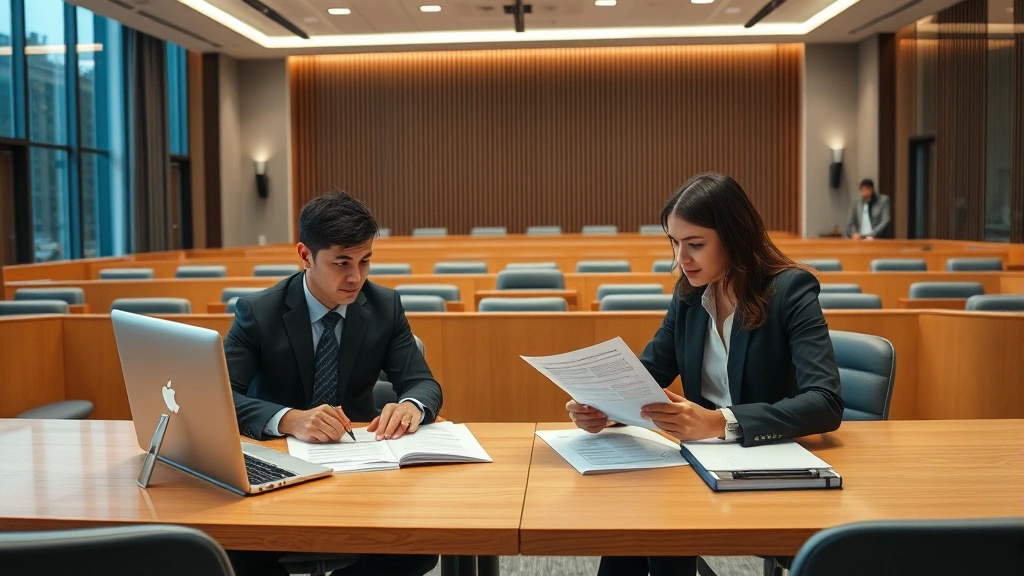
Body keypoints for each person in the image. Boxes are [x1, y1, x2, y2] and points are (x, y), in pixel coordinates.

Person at [566, 173, 844, 576]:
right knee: (630, 525)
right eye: (675, 242)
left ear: (734, 236)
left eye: (695, 244)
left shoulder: (791, 290)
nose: (681, 258)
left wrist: (718, 422)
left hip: (767, 459)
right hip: (700, 459)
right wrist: (601, 407)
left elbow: (825, 402)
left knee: (657, 529)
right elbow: (649, 372)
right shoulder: (689, 293)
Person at [224, 191, 442, 576]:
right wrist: (289, 418)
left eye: (365, 261)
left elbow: (422, 382)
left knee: (418, 549)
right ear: (305, 255)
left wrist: (411, 405)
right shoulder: (258, 312)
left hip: (360, 469)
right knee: (235, 549)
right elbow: (221, 396)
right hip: (276, 468)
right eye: (341, 262)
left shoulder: (385, 307)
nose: (355, 276)